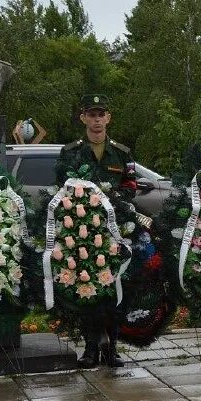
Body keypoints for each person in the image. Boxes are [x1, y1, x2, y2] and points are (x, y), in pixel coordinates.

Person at [55, 94, 135, 369]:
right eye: (92, 114)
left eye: (101, 114)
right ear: (83, 118)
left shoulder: (122, 153)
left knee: (113, 286)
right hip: (81, 231)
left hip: (113, 229)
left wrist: (115, 199)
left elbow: (131, 186)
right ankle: (90, 348)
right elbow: (62, 187)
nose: (97, 119)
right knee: (87, 284)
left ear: (108, 117)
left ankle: (111, 348)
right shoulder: (71, 152)